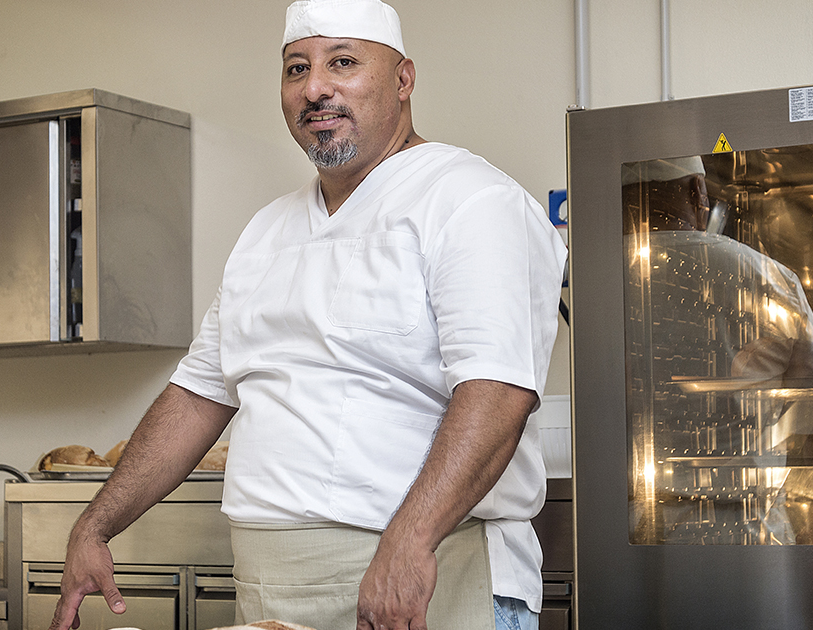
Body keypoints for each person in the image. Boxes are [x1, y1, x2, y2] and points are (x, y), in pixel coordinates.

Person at [48, 1, 566, 629]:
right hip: (273, 590)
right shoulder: (266, 233)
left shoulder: (470, 200)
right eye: (297, 69)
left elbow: (497, 392)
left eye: (342, 63)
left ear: (402, 80)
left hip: (425, 577)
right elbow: (197, 394)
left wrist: (410, 542)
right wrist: (96, 524)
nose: (315, 88)